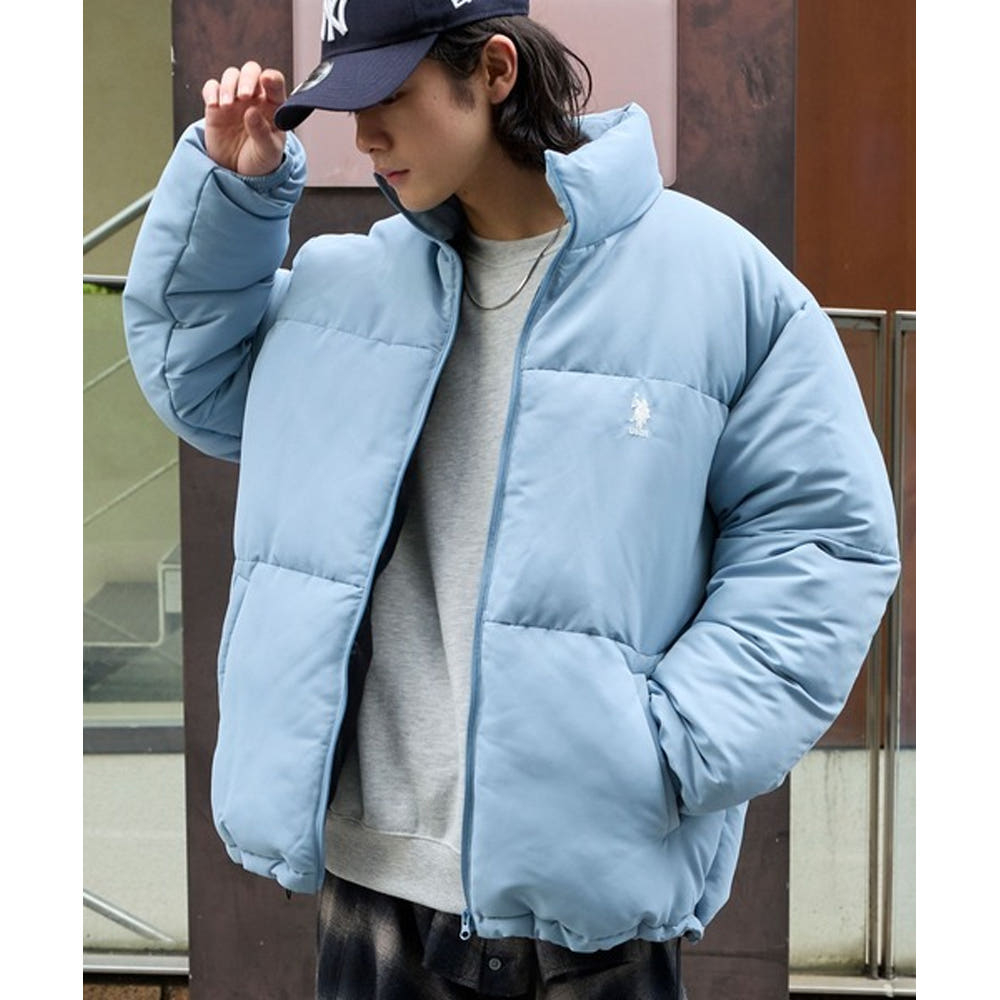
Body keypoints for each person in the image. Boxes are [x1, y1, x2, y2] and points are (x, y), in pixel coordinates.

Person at [123, 1, 900, 997]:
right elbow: (198, 379)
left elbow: (825, 539)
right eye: (347, 103)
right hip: (376, 887)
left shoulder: (717, 283)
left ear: (493, 71)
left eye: (390, 95)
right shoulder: (342, 290)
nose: (365, 135)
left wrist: (672, 749)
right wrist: (233, 196)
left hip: (589, 901)